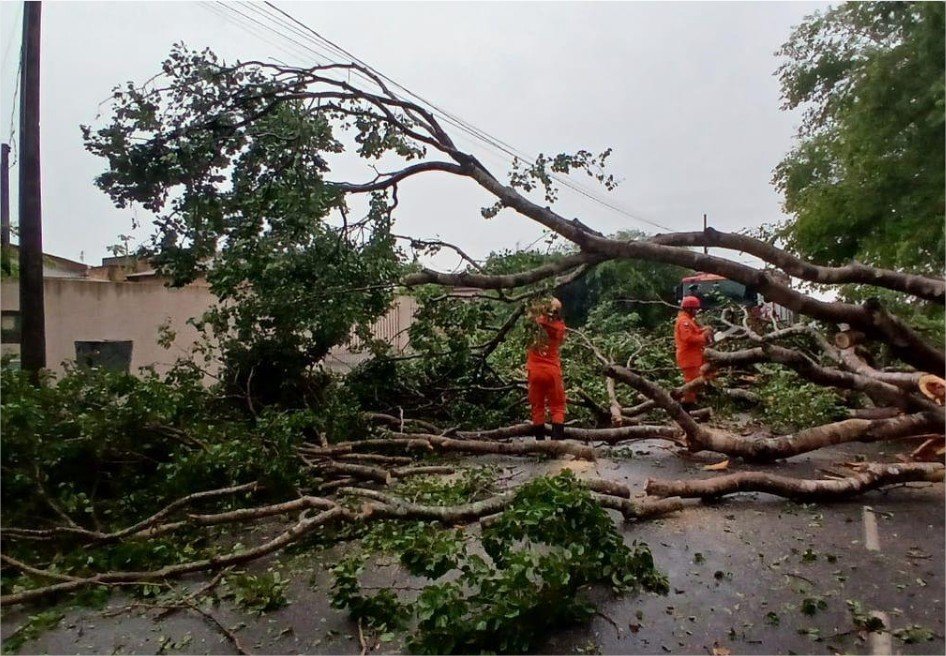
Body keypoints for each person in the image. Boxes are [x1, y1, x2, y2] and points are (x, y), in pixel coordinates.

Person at [526, 297, 567, 440]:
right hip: (552, 372)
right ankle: (556, 444)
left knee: (537, 407)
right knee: (558, 407)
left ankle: (540, 444)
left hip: (535, 371)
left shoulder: (535, 323)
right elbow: (561, 340)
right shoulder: (560, 327)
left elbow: (529, 313)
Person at [674, 295, 713, 406]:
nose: (697, 311)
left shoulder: (688, 320)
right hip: (688, 358)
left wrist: (703, 330)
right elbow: (688, 338)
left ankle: (694, 401)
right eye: (695, 309)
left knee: (699, 379)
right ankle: (688, 407)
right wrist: (703, 337)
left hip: (694, 356)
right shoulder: (683, 322)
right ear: (689, 309)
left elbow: (693, 332)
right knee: (691, 383)